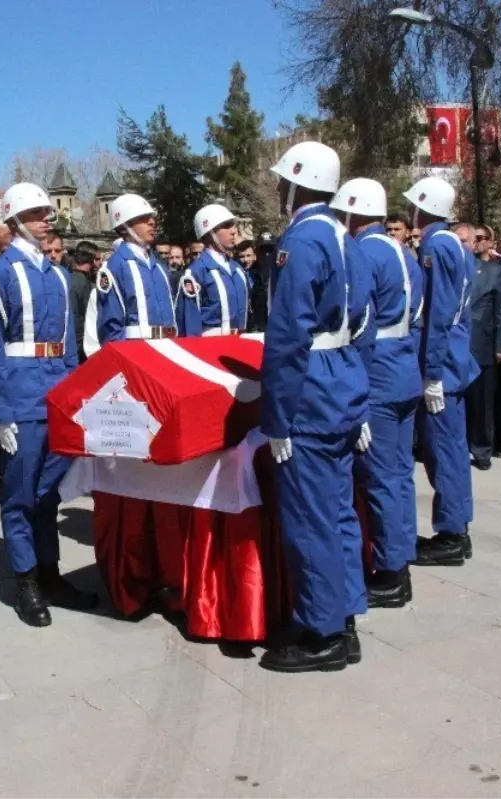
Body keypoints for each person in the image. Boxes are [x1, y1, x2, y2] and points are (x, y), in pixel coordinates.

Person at [260, 142, 373, 673]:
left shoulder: (303, 239)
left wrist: (277, 417)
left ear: (298, 184)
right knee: (338, 512)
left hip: (309, 390)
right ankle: (342, 613)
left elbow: (287, 336)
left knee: (309, 519)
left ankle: (322, 632)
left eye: (284, 181)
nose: (280, 189)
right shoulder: (346, 238)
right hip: (343, 380)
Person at [0, 182, 97, 627]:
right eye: (37, 213)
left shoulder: (60, 276)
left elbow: (67, 343)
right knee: (21, 494)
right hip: (20, 393)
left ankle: (51, 573)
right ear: (14, 221)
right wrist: (0, 411)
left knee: (49, 493)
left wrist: (73, 394)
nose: (47, 218)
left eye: (48, 212)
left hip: (56, 391)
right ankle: (26, 581)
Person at [330, 178, 421, 610]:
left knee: (380, 475)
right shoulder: (403, 251)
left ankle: (390, 569)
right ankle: (400, 554)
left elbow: (357, 316)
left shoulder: (363, 251)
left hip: (379, 371)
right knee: (401, 472)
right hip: (403, 365)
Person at [406, 176, 478, 567]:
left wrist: (431, 370)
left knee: (443, 449)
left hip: (443, 363)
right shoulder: (457, 244)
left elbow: (437, 312)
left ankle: (451, 533)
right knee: (452, 448)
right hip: (455, 358)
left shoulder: (435, 245)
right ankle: (457, 527)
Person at [85, 193, 176, 355]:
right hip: (138, 354)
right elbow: (111, 329)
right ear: (124, 226)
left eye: (151, 217)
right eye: (142, 218)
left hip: (168, 351)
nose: (152, 222)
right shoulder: (116, 267)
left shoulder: (159, 266)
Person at [466, 224, 501, 470]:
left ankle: (482, 449)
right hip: (456, 347)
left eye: (479, 238)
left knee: (483, 403)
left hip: (483, 346)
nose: (472, 243)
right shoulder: (452, 269)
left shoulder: (494, 272)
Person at [177, 204, 249, 336]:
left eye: (233, 225)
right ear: (209, 232)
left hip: (239, 342)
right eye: (226, 226)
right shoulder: (196, 272)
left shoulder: (237, 269)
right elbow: (189, 323)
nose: (233, 231)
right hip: (211, 346)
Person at [68, 244, 94, 363]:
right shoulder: (84, 282)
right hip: (80, 332)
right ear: (88, 265)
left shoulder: (65, 277)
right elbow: (88, 309)